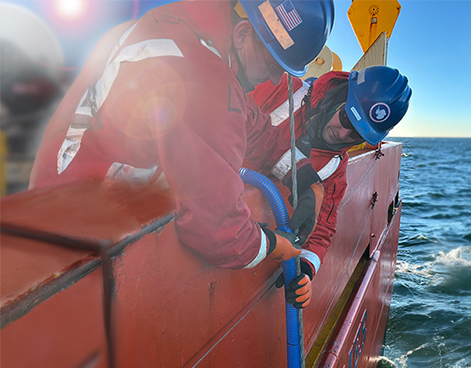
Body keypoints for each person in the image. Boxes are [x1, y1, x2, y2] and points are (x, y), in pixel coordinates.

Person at [28, 0, 334, 271]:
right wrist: (272, 245)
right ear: (243, 34)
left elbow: (251, 127)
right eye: (271, 63)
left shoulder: (197, 29)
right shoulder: (204, 74)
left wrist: (306, 178)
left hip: (73, 185)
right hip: (75, 217)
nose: (273, 78)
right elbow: (218, 231)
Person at [248, 65, 411, 308]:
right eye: (346, 117)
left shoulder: (335, 167)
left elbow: (324, 226)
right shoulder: (279, 89)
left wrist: (306, 267)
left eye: (357, 134)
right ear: (339, 96)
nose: (343, 135)